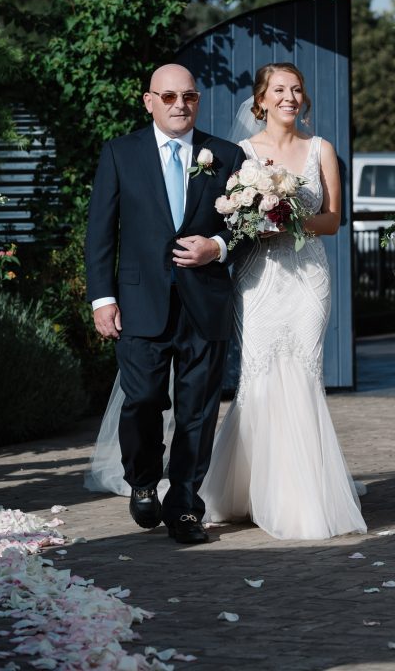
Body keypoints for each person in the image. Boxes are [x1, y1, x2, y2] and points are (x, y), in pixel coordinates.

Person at [192, 62, 367, 539]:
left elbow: (331, 220)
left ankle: (301, 496)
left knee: (303, 372)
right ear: (261, 101)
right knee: (260, 373)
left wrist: (284, 220)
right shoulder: (240, 153)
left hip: (308, 275)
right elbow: (225, 215)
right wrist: (256, 220)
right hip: (260, 276)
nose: (290, 97)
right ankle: (248, 490)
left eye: (297, 89)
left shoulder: (321, 150)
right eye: (280, 90)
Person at [84, 63, 246, 546]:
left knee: (198, 410)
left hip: (205, 303)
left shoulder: (226, 154)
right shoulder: (120, 154)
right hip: (139, 303)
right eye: (170, 96)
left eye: (189, 97)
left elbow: (244, 225)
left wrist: (214, 247)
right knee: (142, 402)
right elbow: (100, 234)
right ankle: (141, 480)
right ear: (149, 100)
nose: (180, 105)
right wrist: (102, 298)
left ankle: (186, 509)